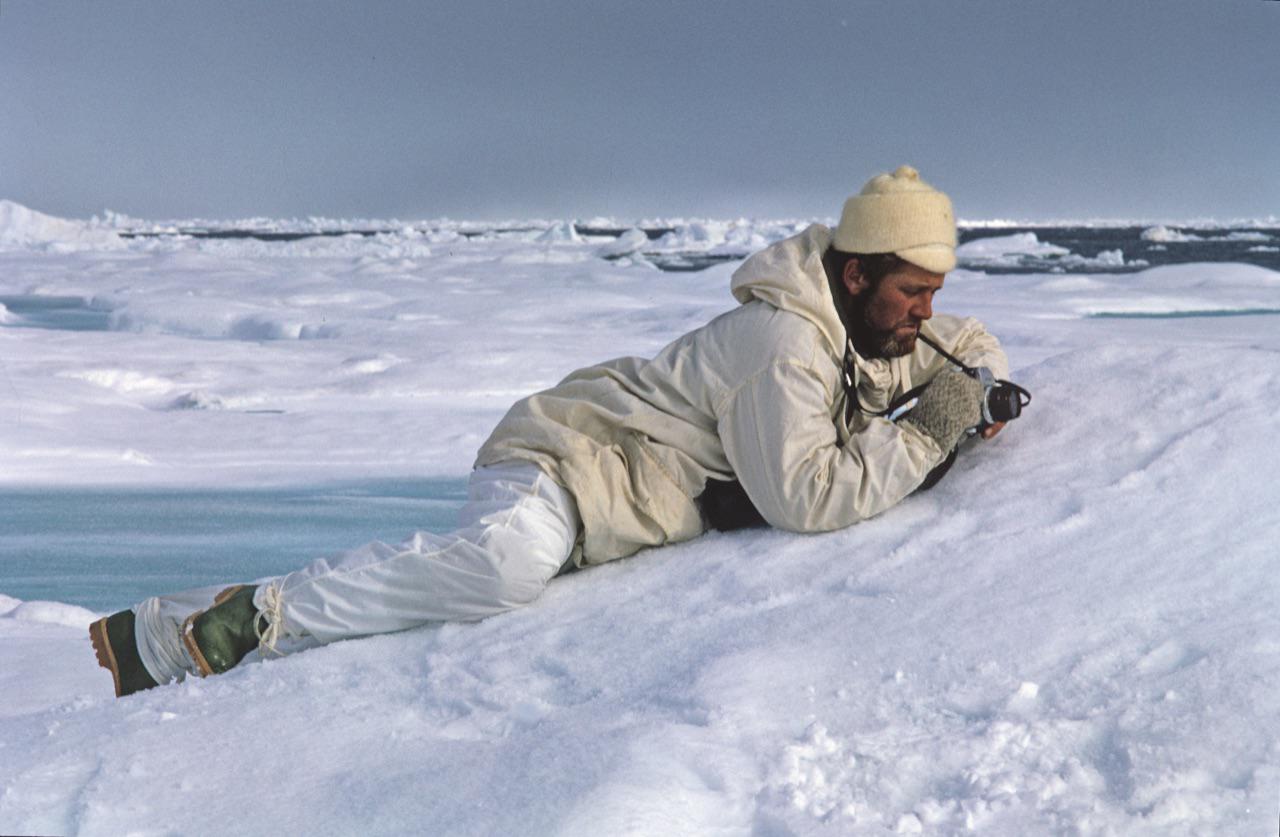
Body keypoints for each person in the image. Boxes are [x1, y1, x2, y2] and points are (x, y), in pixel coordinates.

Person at [91, 165, 1011, 698]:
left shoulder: (868, 328)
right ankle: (219, 628)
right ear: (854, 278)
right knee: (502, 567)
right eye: (912, 294)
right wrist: (932, 431)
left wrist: (980, 385)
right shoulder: (784, 343)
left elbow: (965, 348)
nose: (925, 315)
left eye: (932, 294)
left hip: (615, 494)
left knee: (508, 570)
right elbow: (806, 495)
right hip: (567, 464)